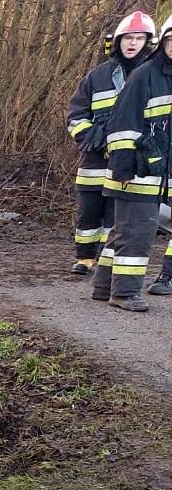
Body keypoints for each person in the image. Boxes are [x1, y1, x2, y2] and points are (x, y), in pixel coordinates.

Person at [67, 11, 155, 275]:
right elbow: (75, 116)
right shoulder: (97, 76)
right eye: (128, 37)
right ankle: (84, 258)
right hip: (94, 158)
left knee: (117, 212)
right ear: (117, 41)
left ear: (147, 43)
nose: (132, 43)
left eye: (139, 39)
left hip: (130, 158)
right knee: (89, 210)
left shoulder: (152, 76)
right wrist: (89, 137)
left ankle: (108, 258)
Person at [98, 12, 172, 311]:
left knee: (122, 232)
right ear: (163, 42)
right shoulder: (146, 74)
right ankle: (125, 294)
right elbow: (122, 123)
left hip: (158, 173)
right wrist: (123, 166)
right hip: (136, 171)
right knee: (137, 234)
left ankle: (104, 287)